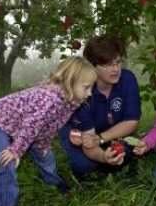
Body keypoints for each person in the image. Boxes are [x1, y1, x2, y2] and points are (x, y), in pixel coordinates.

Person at [0, 56, 97, 206]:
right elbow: (31, 125)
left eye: (91, 88)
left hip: (22, 126)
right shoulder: (50, 98)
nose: (90, 93)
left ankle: (57, 185)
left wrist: (43, 144)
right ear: (70, 82)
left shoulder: (71, 101)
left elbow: (51, 125)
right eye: (86, 87)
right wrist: (16, 151)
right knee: (9, 161)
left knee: (46, 155)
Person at [59, 35, 141, 178]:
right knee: (85, 165)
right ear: (92, 66)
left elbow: (131, 122)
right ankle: (102, 162)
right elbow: (88, 140)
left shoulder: (128, 79)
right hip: (82, 132)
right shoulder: (83, 91)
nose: (115, 69)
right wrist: (104, 157)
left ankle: (111, 159)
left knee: (128, 149)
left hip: (106, 131)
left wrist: (101, 139)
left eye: (118, 62)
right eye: (107, 65)